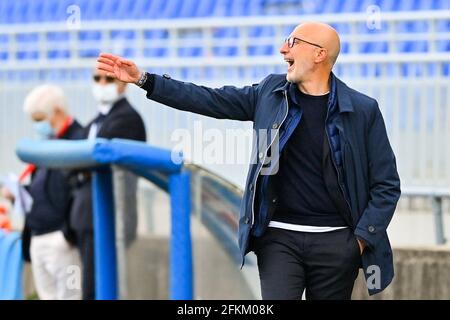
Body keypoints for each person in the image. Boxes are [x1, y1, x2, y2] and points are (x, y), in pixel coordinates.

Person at [96, 21, 401, 300]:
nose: (283, 49)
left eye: (292, 42)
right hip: (279, 240)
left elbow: (386, 184)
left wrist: (360, 241)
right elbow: (209, 99)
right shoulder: (271, 92)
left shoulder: (362, 110)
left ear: (320, 54)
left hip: (337, 245)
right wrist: (145, 80)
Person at [1, 84, 83, 300]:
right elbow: (43, 186)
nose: (37, 125)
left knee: (69, 295)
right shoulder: (48, 144)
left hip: (60, 237)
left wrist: (67, 234)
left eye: (39, 118)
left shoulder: (77, 140)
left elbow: (76, 189)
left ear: (56, 111)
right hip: (38, 234)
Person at [70, 70, 146, 300]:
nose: (102, 84)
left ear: (123, 83)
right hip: (87, 215)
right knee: (91, 287)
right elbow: (73, 163)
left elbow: (92, 164)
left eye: (108, 79)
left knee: (104, 287)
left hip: (110, 215)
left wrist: (81, 168)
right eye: (97, 78)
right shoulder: (95, 121)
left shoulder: (128, 118)